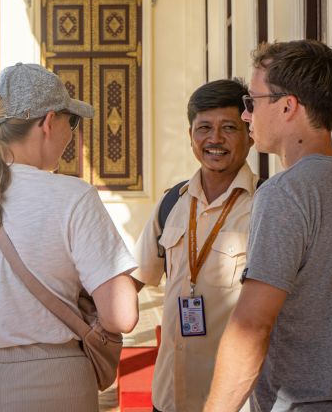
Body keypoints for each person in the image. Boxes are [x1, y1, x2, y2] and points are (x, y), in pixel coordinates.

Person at [0, 63, 139, 412]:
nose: (72, 134)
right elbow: (122, 316)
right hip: (59, 384)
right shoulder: (74, 197)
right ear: (49, 122)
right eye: (72, 121)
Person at [205, 40, 332, 412]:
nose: (247, 116)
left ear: (288, 105)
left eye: (252, 102)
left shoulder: (284, 192)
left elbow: (252, 326)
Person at [132, 79, 257, 412]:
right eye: (204, 128)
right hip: (170, 393)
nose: (214, 139)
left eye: (229, 127)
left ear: (251, 134)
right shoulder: (173, 202)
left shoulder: (266, 207)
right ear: (190, 136)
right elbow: (137, 274)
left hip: (234, 400)